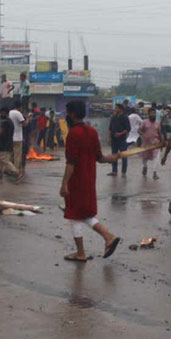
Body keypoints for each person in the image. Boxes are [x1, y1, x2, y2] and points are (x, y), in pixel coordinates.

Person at [59, 100, 122, 262]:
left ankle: (81, 253)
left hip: (76, 180)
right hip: (89, 179)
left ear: (72, 114)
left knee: (74, 215)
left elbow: (71, 162)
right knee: (83, 213)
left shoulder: (73, 133)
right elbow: (100, 158)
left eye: (67, 112)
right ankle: (108, 236)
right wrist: (112, 158)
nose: (66, 116)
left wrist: (64, 183)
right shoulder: (92, 132)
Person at [0, 106, 20, 183]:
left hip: (5, 145)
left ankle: (17, 172)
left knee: (5, 161)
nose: (0, 114)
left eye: (1, 113)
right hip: (7, 144)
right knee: (1, 162)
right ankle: (0, 177)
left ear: (5, 113)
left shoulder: (6, 122)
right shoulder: (9, 121)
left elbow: (1, 133)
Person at [138, 107, 162, 179]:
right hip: (146, 144)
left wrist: (161, 142)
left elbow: (160, 133)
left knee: (156, 158)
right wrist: (143, 134)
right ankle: (145, 167)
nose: (153, 115)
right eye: (151, 113)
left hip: (155, 144)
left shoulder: (158, 123)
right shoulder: (144, 122)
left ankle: (155, 173)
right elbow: (139, 130)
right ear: (148, 114)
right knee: (145, 158)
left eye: (154, 113)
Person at [107, 103, 130, 176]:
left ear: (120, 109)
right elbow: (110, 128)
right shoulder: (113, 117)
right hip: (114, 139)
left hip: (122, 139)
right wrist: (110, 137)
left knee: (123, 155)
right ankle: (114, 171)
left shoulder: (125, 117)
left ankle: (123, 172)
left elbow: (128, 129)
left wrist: (120, 133)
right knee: (114, 155)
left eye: (116, 108)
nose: (115, 109)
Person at [7, 100, 25, 177]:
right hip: (18, 138)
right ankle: (15, 170)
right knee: (17, 155)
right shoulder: (18, 113)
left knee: (10, 155)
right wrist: (28, 119)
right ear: (20, 107)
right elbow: (24, 123)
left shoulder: (9, 113)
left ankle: (8, 169)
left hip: (10, 138)